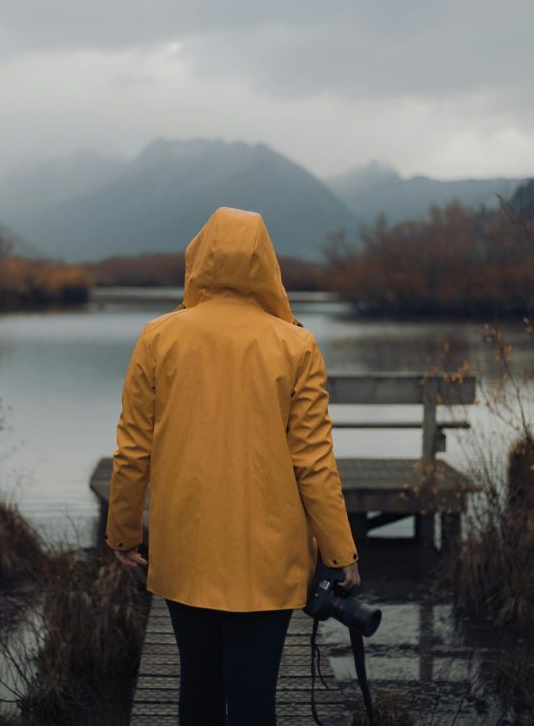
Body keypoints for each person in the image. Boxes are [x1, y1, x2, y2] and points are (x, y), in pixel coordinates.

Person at [105, 205, 361, 726]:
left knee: (198, 686)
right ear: (266, 265)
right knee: (253, 696)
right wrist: (340, 554)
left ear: (198, 260)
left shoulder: (158, 337)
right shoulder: (296, 344)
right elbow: (313, 462)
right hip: (266, 557)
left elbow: (134, 449)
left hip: (184, 551)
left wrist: (124, 533)